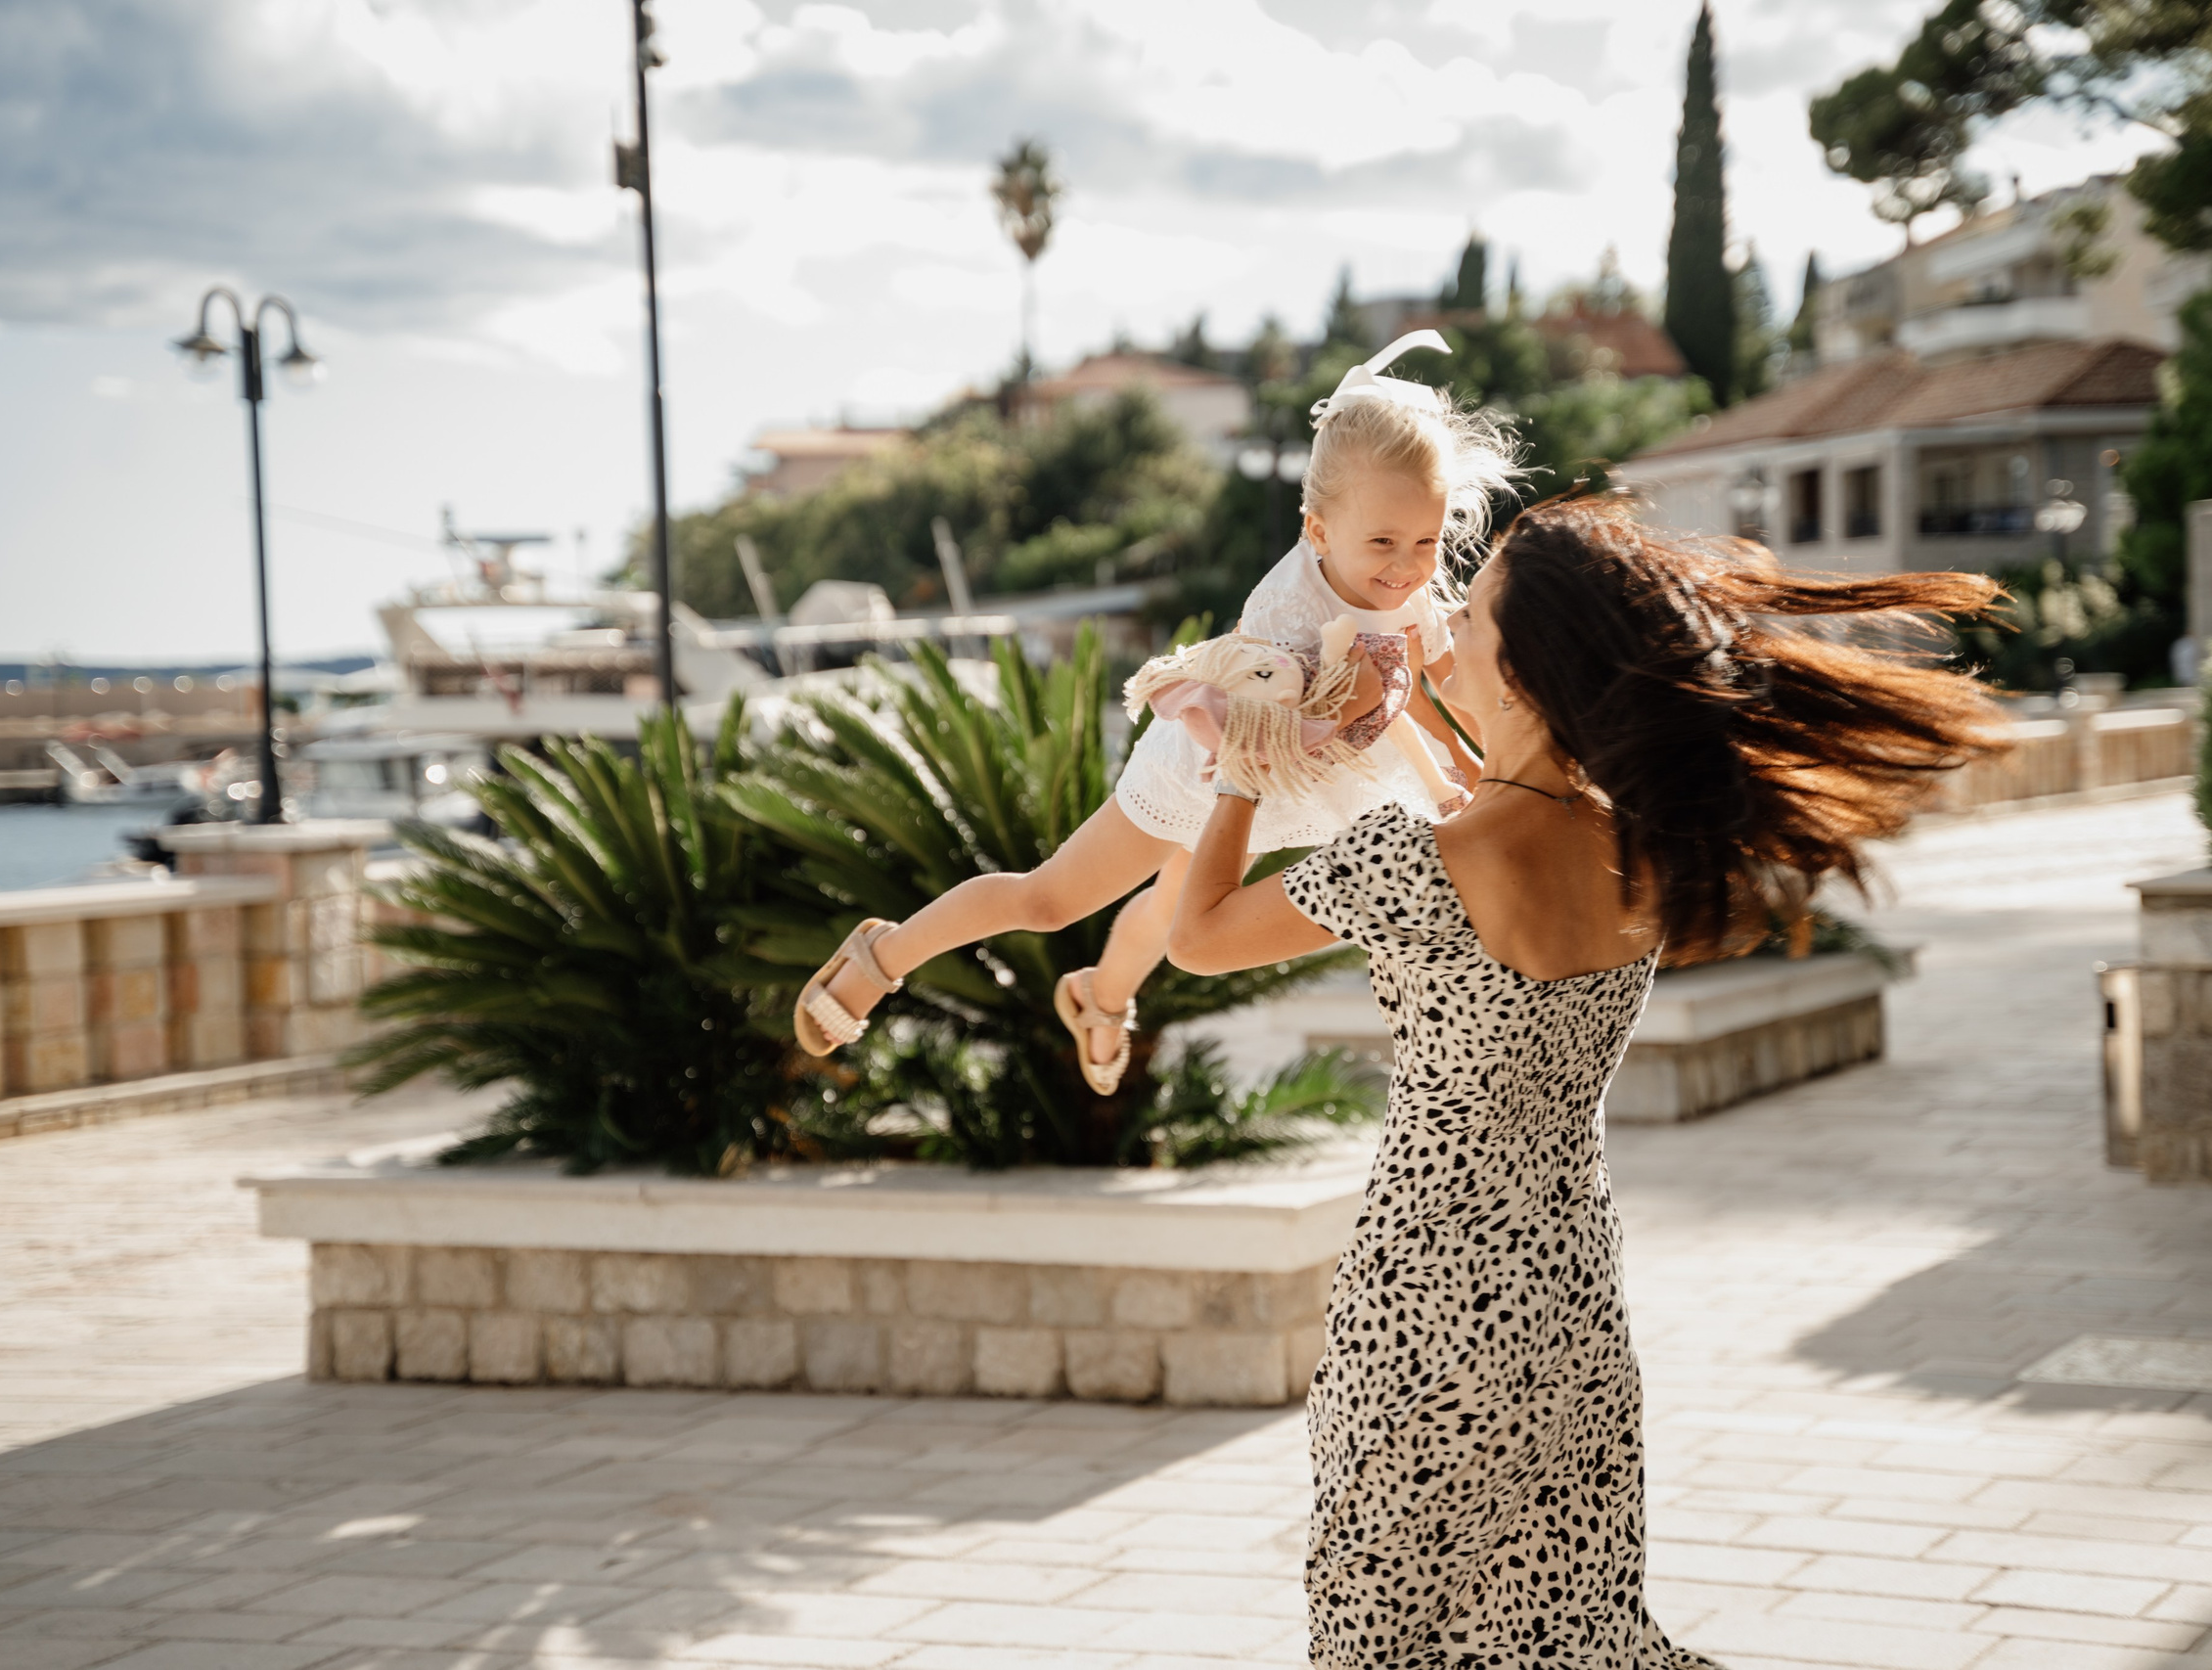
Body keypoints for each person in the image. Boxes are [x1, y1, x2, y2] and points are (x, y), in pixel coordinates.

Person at [1167, 493, 2007, 1667]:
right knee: (1561, 1630)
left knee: (1384, 1639)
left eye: (1471, 613)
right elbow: (1507, 799)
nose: (1443, 624)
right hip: (1569, 1304)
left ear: (1521, 669)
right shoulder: (1631, 846)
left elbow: (1196, 935)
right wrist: (1402, 728)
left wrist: (1243, 756)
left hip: (1426, 1308)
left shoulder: (1415, 861)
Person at [792, 331, 1517, 1094]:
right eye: (1383, 541)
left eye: (1426, 540)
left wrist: (1485, 770)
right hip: (1216, 760)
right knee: (1050, 898)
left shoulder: (1411, 591)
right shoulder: (1285, 610)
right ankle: (882, 954)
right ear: (1318, 529)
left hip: (1290, 779)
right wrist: (1430, 764)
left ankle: (1099, 996)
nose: (1406, 565)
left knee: (1174, 901)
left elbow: (1428, 687)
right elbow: (1294, 713)